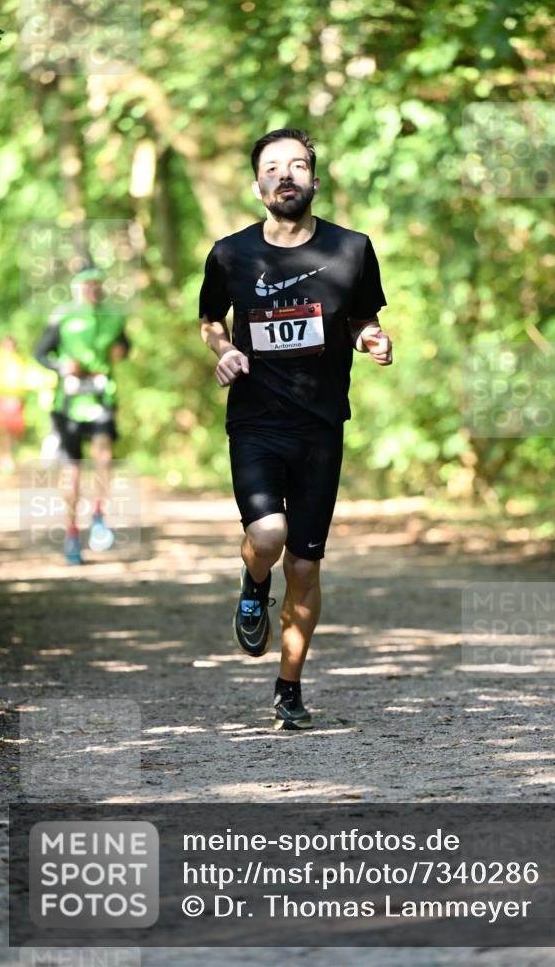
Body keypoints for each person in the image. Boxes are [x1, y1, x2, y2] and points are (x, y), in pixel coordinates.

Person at [199, 128, 393, 731]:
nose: (286, 176)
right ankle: (254, 582)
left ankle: (289, 689)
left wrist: (372, 339)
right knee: (269, 532)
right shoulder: (230, 254)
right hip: (256, 422)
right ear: (257, 183)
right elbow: (210, 320)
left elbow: (362, 320)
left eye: (298, 166)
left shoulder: (352, 249)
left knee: (305, 568)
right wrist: (223, 349)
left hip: (320, 427)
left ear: (314, 178)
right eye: (273, 167)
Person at [33, 267, 130, 564]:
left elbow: (124, 347)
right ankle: (72, 534)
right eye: (86, 285)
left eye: (96, 285)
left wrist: (120, 351)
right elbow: (39, 353)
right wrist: (63, 367)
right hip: (68, 405)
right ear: (76, 289)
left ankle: (99, 515)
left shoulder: (112, 317)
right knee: (72, 473)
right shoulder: (63, 316)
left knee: (103, 456)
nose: (92, 290)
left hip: (102, 397)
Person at [0, 336, 30, 474]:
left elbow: (27, 377)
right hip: (1, 397)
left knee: (16, 430)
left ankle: (13, 452)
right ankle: (6, 459)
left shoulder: (20, 361)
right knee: (4, 429)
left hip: (16, 400)